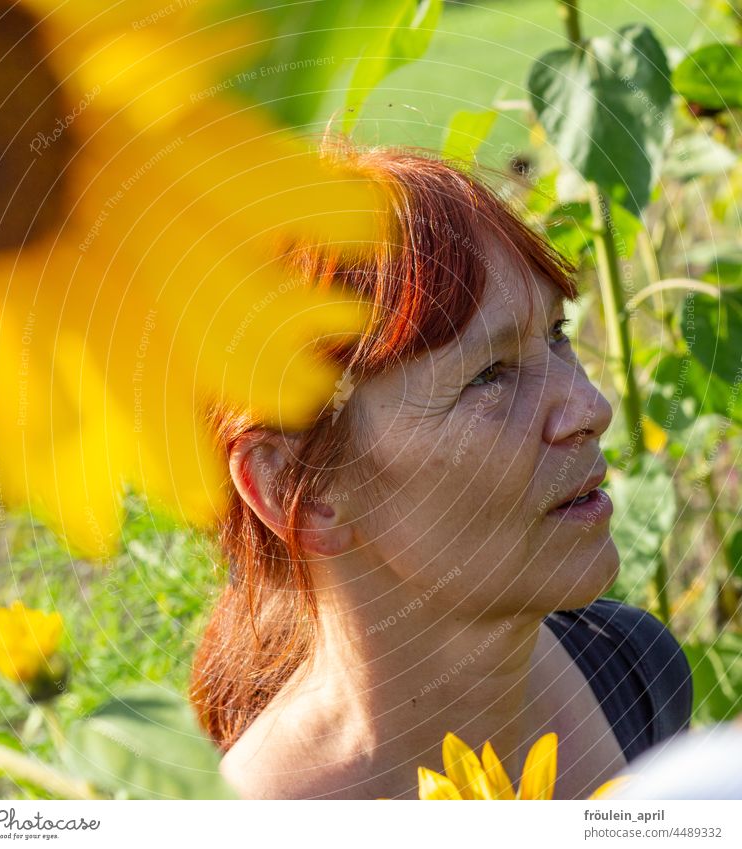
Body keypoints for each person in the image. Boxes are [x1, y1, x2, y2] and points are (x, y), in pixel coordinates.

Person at [189, 142, 692, 800]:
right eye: (489, 376)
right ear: (298, 490)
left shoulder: (635, 669)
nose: (591, 408)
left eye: (558, 334)